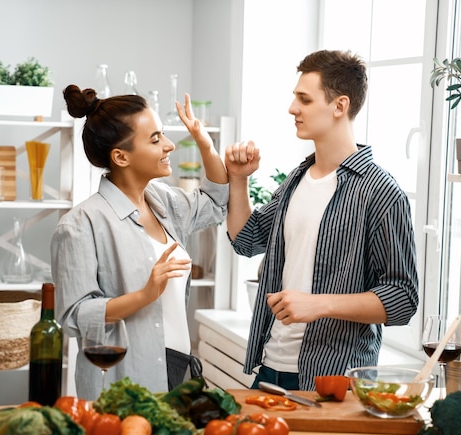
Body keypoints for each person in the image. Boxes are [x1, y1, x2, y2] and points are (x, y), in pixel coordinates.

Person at [224, 49, 419, 391]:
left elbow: (402, 299)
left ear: (339, 106)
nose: (292, 108)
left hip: (334, 378)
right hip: (271, 366)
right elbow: (247, 239)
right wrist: (238, 179)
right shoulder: (297, 179)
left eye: (304, 99)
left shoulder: (381, 191)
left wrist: (318, 304)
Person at [52, 85, 228, 400]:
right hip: (125, 378)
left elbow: (215, 202)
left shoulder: (165, 203)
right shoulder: (80, 225)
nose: (170, 145)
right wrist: (145, 295)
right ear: (120, 156)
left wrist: (204, 142)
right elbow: (75, 316)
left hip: (178, 369)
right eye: (155, 139)